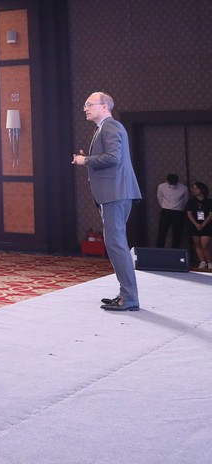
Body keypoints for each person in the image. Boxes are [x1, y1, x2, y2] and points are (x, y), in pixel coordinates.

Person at [73, 91, 142, 311]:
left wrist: (85, 160)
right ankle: (126, 294)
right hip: (114, 193)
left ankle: (129, 298)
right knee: (115, 242)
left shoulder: (110, 126)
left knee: (116, 243)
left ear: (104, 107)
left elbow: (113, 157)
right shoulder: (104, 128)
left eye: (89, 104)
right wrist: (89, 159)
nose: (85, 108)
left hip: (116, 193)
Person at [156, 173, 189, 249]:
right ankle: (159, 251)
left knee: (177, 233)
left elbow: (185, 201)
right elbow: (160, 199)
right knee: (162, 232)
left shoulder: (184, 188)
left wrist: (179, 208)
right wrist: (165, 206)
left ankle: (176, 251)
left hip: (178, 212)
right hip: (166, 211)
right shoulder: (161, 187)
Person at [186, 182, 212, 270]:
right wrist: (196, 224)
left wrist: (203, 224)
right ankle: (202, 261)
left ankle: (210, 262)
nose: (194, 190)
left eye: (196, 188)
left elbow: (211, 214)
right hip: (195, 225)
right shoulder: (191, 201)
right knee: (198, 244)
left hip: (206, 225)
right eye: (193, 188)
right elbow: (189, 213)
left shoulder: (209, 202)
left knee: (205, 245)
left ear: (202, 189)